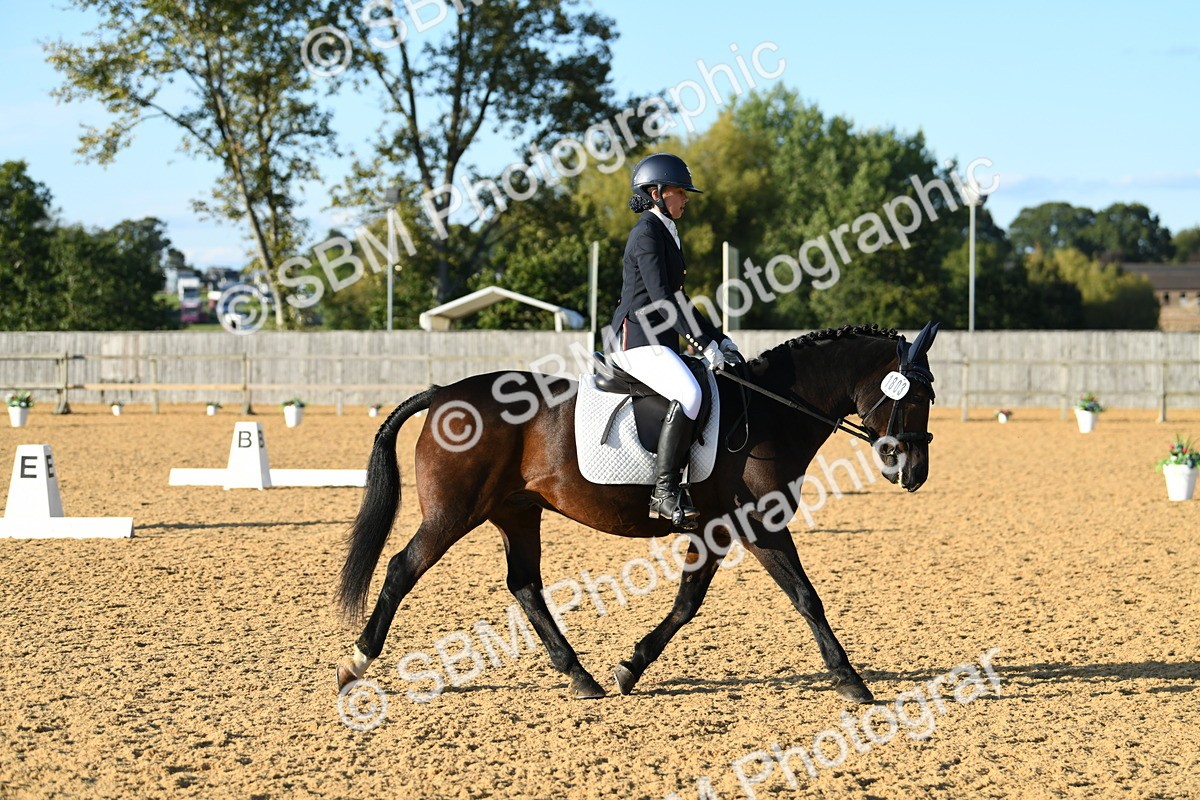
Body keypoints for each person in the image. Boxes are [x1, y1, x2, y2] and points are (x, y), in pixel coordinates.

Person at [608, 153, 740, 526]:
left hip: (660, 340)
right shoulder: (647, 234)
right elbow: (662, 300)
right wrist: (703, 344)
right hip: (637, 341)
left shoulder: (665, 230)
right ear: (656, 193)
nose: (685, 198)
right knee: (690, 394)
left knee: (705, 387)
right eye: (679, 191)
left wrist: (718, 338)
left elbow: (679, 300)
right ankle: (663, 493)